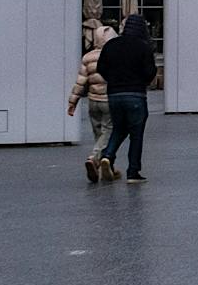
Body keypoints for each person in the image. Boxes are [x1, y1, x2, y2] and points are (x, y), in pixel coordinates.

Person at [95, 13, 157, 182]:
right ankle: (133, 172)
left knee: (118, 128)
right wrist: (141, 82)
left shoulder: (111, 45)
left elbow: (101, 68)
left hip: (114, 94)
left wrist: (113, 80)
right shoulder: (143, 47)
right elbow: (150, 72)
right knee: (136, 135)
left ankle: (107, 156)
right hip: (135, 94)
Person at [67, 19, 114, 183]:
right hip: (108, 99)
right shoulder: (111, 55)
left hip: (92, 101)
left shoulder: (88, 57)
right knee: (108, 132)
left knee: (98, 133)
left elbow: (81, 81)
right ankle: (94, 159)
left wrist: (73, 102)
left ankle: (104, 164)